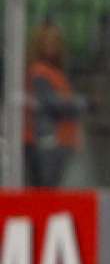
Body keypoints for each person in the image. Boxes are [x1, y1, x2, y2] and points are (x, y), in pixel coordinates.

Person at [25, 24, 86, 189]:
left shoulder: (56, 72)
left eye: (55, 42)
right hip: (47, 140)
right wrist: (79, 103)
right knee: (46, 189)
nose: (52, 47)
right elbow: (50, 102)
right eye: (47, 42)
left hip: (62, 140)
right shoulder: (39, 72)